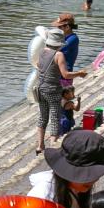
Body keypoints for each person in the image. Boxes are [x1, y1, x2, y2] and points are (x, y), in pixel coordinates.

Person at [32, 26, 85, 154]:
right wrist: (79, 73)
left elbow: (39, 67)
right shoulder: (59, 54)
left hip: (40, 89)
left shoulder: (42, 51)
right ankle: (53, 147)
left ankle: (40, 146)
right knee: (55, 118)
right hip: (53, 90)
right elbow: (65, 74)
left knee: (43, 117)